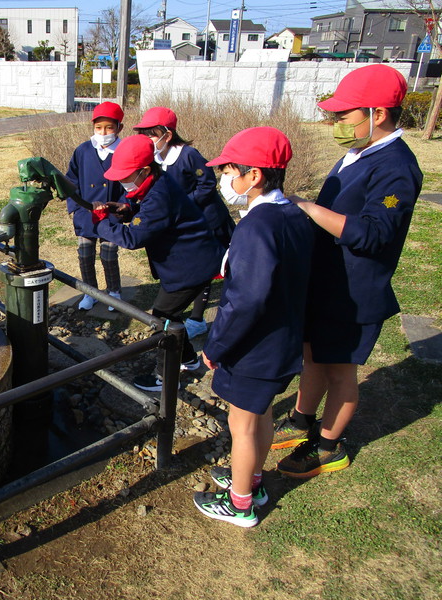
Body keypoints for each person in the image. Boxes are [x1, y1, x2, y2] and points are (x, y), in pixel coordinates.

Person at [271, 64, 422, 478]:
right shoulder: (358, 152)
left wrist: (310, 209)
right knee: (313, 355)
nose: (336, 123)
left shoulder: (396, 168)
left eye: (344, 115)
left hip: (354, 291)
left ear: (379, 113)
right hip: (326, 281)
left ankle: (328, 446)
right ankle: (302, 419)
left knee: (340, 370)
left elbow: (374, 234)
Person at [191, 127, 314, 527]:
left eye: (229, 170)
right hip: (282, 339)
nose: (225, 179)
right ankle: (253, 480)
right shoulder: (293, 215)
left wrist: (216, 346)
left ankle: (240, 503)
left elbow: (247, 299)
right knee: (258, 416)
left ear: (255, 175)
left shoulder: (256, 227)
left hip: (254, 347)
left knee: (240, 424)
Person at [92, 135, 223, 391]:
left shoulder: (159, 195)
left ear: (144, 170)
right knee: (170, 316)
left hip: (191, 266)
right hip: (190, 261)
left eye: (126, 176)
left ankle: (164, 378)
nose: (121, 181)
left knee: (162, 319)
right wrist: (125, 209)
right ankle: (188, 359)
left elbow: (133, 237)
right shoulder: (155, 183)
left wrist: (101, 223)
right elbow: (145, 212)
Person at [133, 107, 235, 339]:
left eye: (151, 134)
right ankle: (180, 305)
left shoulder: (188, 155)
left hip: (206, 219)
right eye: (143, 134)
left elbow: (207, 184)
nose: (147, 140)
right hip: (181, 222)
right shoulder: (154, 159)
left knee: (205, 268)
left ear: (167, 135)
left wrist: (181, 206)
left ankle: (197, 318)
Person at [65, 102, 127, 311]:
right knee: (85, 254)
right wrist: (75, 207)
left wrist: (123, 207)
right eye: (99, 127)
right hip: (86, 212)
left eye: (109, 127)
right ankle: (90, 292)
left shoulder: (125, 151)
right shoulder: (83, 150)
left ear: (119, 127)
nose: (103, 132)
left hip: (111, 214)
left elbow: (132, 185)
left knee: (109, 255)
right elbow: (71, 180)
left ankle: (114, 293)